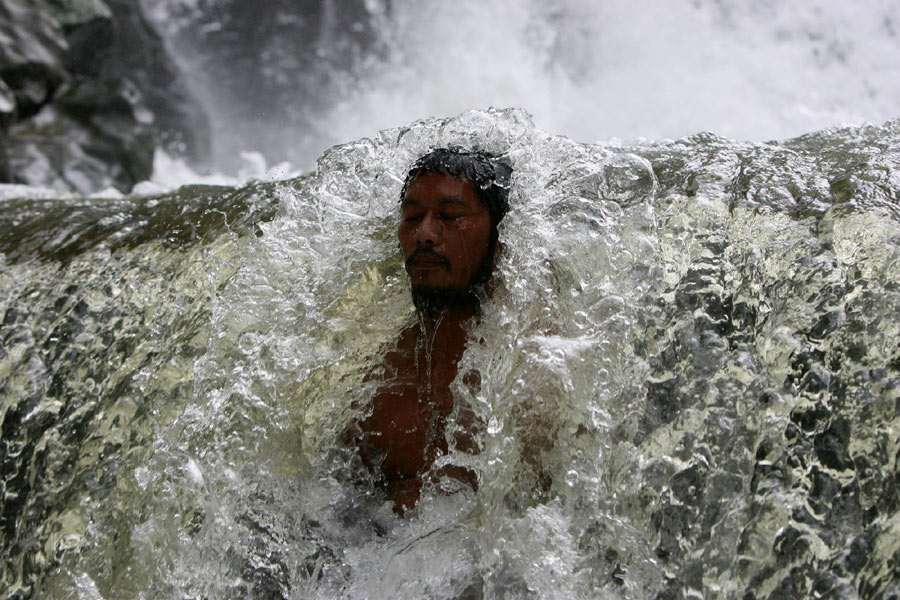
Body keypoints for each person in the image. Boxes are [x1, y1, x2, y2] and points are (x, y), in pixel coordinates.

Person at [354, 147, 512, 513]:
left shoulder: (533, 370)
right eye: (411, 217)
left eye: (451, 216)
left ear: (502, 237)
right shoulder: (380, 383)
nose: (424, 233)